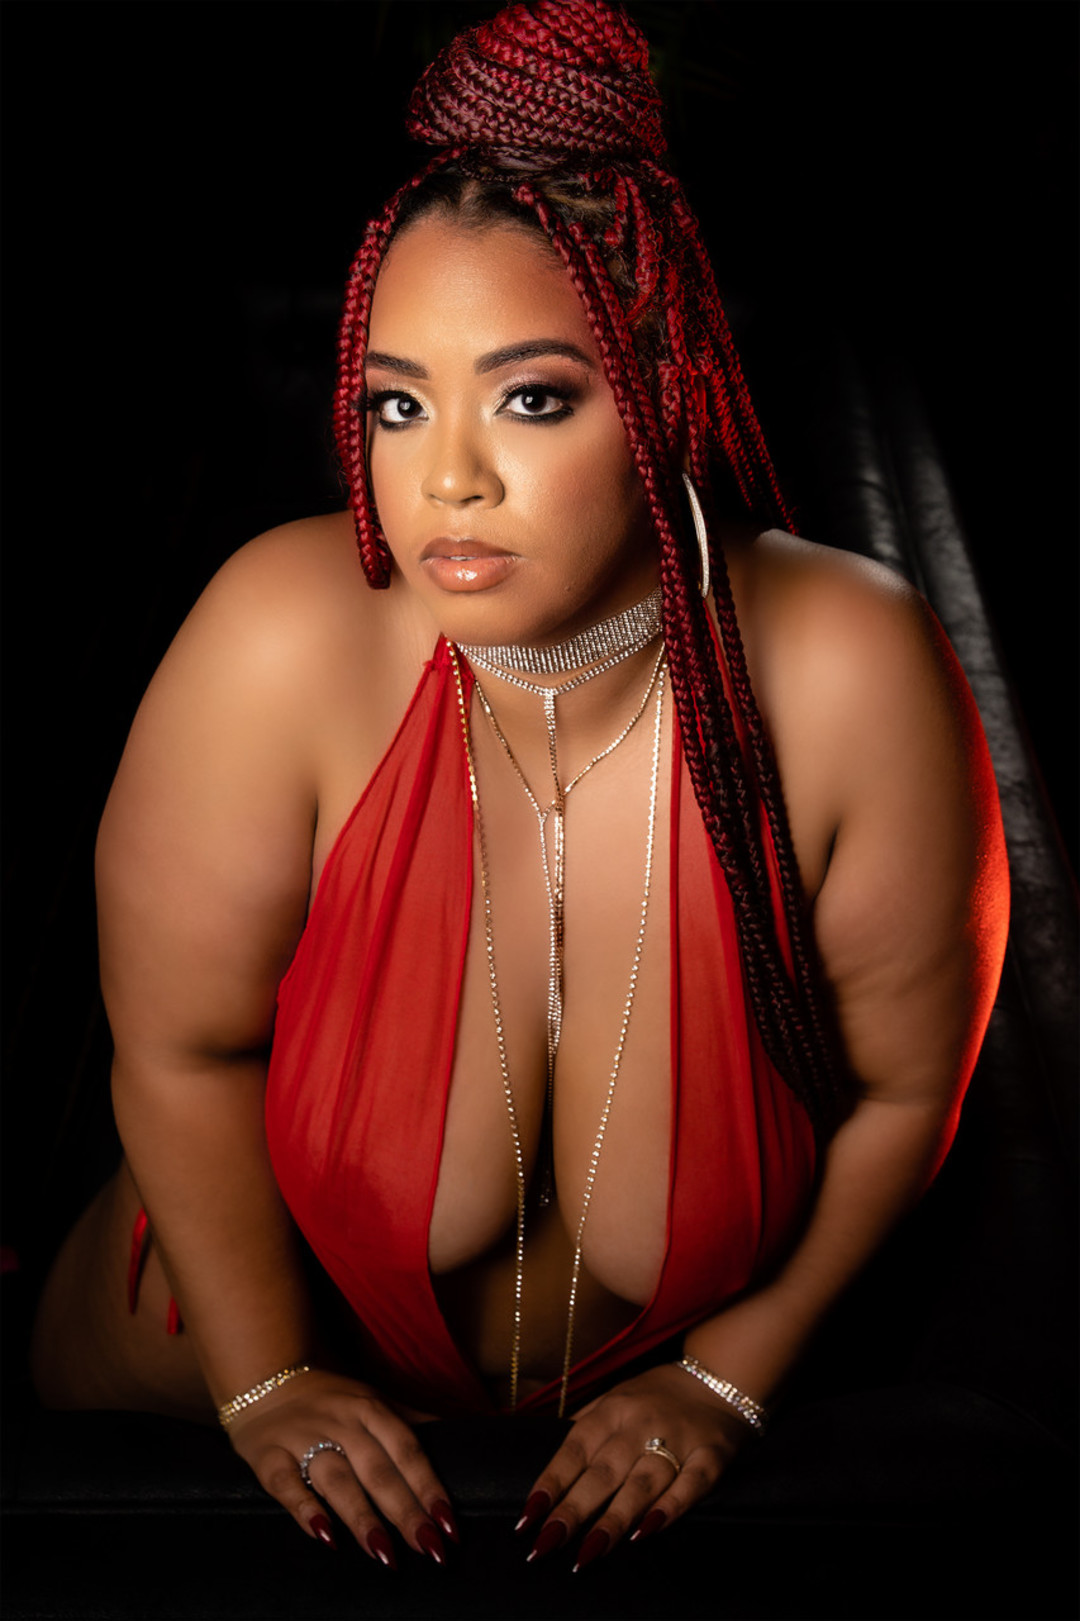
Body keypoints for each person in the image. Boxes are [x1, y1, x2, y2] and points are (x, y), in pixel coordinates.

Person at [30, 0, 1009, 1575]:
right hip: (189, 1390)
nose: (448, 477)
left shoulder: (845, 668)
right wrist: (266, 1381)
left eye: (532, 397)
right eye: (397, 402)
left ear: (664, 377)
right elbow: (177, 1043)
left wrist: (724, 1377)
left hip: (642, 1441)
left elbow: (908, 1094)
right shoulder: (280, 637)